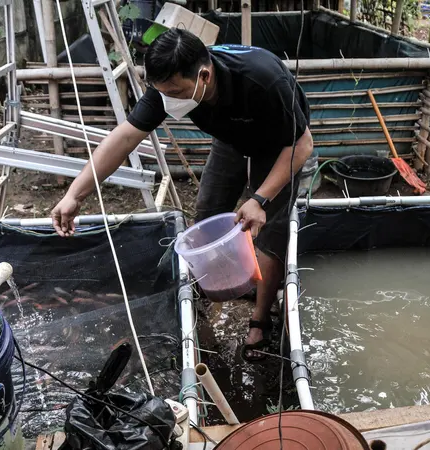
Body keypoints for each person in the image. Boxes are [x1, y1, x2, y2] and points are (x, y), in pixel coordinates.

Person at [51, 28, 313, 362]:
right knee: (206, 212)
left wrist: (260, 199)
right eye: (162, 92)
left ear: (204, 75)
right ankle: (216, 290)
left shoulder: (263, 80)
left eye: (175, 91)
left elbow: (303, 145)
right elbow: (126, 137)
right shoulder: (168, 86)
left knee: (268, 233)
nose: (169, 100)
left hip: (281, 146)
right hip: (231, 138)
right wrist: (76, 193)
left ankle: (260, 320)